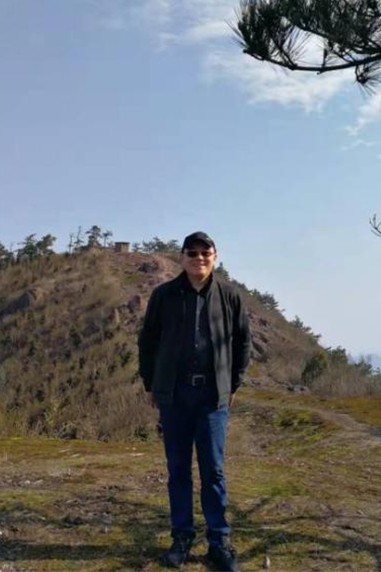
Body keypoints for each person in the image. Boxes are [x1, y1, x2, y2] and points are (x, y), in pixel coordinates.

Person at [139, 231, 251, 571]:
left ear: (215, 256)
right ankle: (182, 538)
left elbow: (243, 343)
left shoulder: (230, 296)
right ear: (182, 257)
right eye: (192, 252)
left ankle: (219, 541)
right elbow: (148, 341)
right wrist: (151, 384)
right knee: (178, 470)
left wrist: (233, 384)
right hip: (174, 396)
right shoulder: (164, 295)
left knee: (213, 470)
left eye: (205, 252)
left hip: (212, 397)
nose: (199, 258)